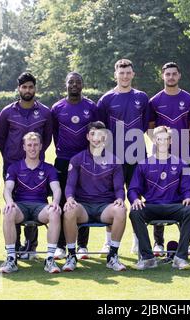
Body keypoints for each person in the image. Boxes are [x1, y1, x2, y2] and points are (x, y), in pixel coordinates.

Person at [97, 59, 150, 255]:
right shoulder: (106, 99)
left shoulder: (142, 97)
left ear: (133, 74)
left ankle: (138, 240)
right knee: (113, 199)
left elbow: (144, 125)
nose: (125, 76)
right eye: (121, 73)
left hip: (137, 156)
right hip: (113, 157)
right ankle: (108, 242)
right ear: (115, 75)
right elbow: (101, 130)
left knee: (137, 197)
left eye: (128, 73)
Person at [0, 72, 53, 259]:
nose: (27, 90)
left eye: (31, 87)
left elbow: (46, 139)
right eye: (24, 87)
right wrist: (11, 158)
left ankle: (31, 246)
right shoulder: (7, 112)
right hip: (13, 166)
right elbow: (1, 138)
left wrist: (35, 156)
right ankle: (16, 246)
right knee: (13, 205)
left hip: (37, 167)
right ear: (18, 88)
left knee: (35, 201)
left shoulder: (45, 112)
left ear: (35, 88)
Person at [62, 121, 127, 272]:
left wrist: (120, 199)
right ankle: (71, 255)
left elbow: (119, 188)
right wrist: (70, 198)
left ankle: (112, 256)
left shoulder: (115, 161)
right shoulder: (77, 159)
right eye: (93, 134)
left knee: (121, 210)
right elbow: (70, 185)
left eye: (100, 135)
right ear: (87, 137)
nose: (96, 138)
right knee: (69, 210)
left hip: (105, 208)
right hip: (83, 208)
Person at [147, 62, 190, 257]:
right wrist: (162, 146)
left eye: (174, 74)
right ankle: (158, 242)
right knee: (158, 191)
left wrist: (180, 144)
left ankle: (188, 241)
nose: (171, 77)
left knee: (187, 192)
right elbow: (150, 128)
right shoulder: (154, 101)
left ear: (179, 76)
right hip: (159, 156)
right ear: (163, 76)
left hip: (185, 153)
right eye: (167, 74)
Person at [129, 126, 190, 270]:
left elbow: (188, 188)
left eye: (166, 139)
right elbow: (133, 188)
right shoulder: (143, 164)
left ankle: (180, 257)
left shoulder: (182, 163)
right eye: (159, 139)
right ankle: (147, 258)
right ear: (154, 140)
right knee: (135, 212)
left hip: (174, 206)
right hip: (152, 206)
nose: (163, 142)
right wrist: (135, 199)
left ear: (170, 141)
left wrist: (188, 197)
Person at [51, 72, 101, 261]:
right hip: (63, 159)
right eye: (71, 82)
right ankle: (61, 246)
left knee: (83, 200)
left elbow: (96, 132)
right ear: (66, 84)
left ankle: (82, 246)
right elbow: (55, 133)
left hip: (86, 160)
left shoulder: (91, 107)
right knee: (64, 201)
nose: (74, 85)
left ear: (82, 85)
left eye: (77, 82)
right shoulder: (57, 108)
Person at [0, 132, 62, 274]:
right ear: (24, 147)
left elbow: (56, 189)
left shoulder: (49, 168)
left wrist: (55, 202)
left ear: (41, 147)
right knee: (8, 211)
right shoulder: (14, 167)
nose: (32, 148)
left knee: (55, 212)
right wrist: (9, 202)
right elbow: (7, 189)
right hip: (20, 207)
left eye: (35, 145)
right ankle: (11, 259)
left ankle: (50, 260)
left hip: (40, 208)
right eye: (29, 145)